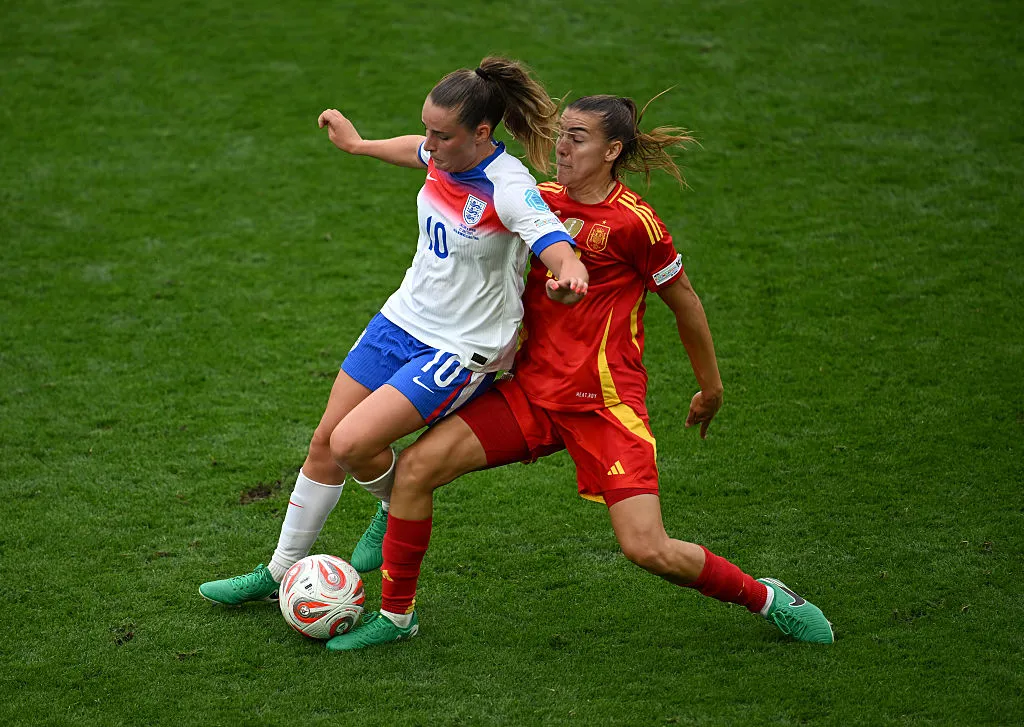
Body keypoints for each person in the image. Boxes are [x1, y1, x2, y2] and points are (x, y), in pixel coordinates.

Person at [325, 94, 834, 651]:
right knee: (417, 469)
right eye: (562, 133)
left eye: (578, 138)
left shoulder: (635, 224)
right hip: (531, 395)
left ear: (613, 151)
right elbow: (434, 157)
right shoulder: (534, 200)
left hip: (602, 405)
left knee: (647, 549)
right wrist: (362, 145)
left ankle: (768, 598)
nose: (561, 147)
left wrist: (710, 387)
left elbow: (683, 299)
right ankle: (397, 618)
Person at [198, 57, 588, 606]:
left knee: (354, 443)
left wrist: (569, 268)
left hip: (461, 345)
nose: (431, 144)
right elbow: (416, 151)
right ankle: (278, 571)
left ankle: (393, 504)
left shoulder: (508, 187)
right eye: (427, 129)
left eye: (442, 135)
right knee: (323, 445)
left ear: (481, 133)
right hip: (401, 320)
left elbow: (547, 233)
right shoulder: (443, 153)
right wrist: (359, 146)